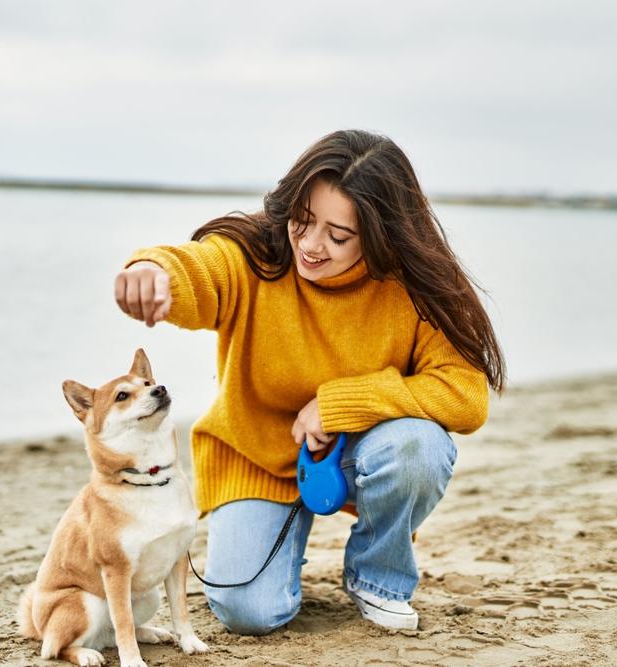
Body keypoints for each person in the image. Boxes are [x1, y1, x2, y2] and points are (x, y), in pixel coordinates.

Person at [114, 129, 504, 634]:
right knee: (248, 613)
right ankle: (278, 547)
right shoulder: (258, 254)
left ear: (381, 235)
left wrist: (339, 403)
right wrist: (154, 269)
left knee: (419, 445)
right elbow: (202, 268)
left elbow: (464, 395)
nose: (312, 245)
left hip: (357, 452)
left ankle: (378, 576)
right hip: (257, 457)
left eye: (339, 236)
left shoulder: (415, 287)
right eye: (304, 219)